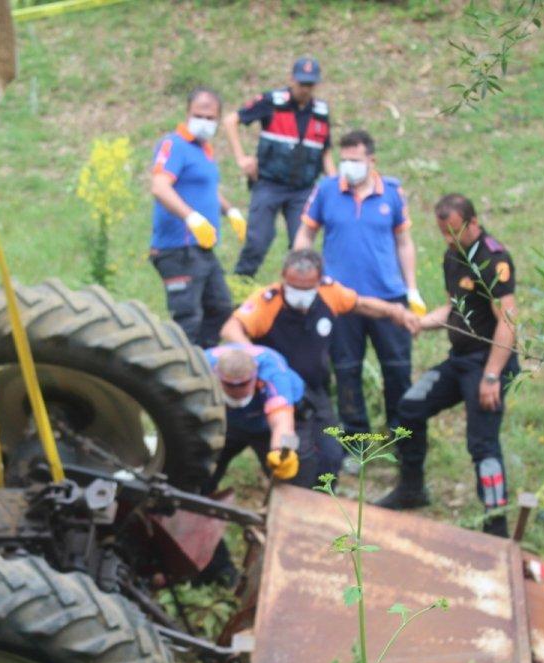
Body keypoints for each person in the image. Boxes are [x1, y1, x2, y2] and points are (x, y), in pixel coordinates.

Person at [377, 194, 518, 538]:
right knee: (410, 408)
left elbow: (508, 322)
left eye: (453, 232)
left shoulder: (493, 259)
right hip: (460, 361)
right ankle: (411, 488)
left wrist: (492, 376)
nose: (448, 240)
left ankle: (496, 522)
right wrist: (420, 322)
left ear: (473, 223)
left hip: (488, 363)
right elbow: (454, 308)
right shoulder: (452, 256)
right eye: (443, 233)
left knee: (482, 443)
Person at [220, 248, 420, 483]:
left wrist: (395, 312)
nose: (300, 294)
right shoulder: (267, 302)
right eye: (294, 287)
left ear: (318, 281)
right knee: (290, 454)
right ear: (283, 277)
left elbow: (360, 304)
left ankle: (323, 495)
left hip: (315, 391)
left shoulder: (329, 293)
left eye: (307, 288)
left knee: (330, 455)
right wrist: (257, 357)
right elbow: (230, 329)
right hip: (277, 391)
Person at [293, 130, 424, 445]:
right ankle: (356, 442)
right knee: (346, 372)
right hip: (341, 301)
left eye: (355, 160)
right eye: (344, 160)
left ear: (371, 160)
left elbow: (404, 242)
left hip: (388, 297)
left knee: (397, 370)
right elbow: (306, 235)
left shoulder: (391, 193)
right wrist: (302, 273)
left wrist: (412, 289)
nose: (348, 166)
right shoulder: (326, 191)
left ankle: (401, 439)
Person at [149, 87, 246, 348]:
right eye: (198, 115)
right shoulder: (174, 145)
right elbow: (160, 186)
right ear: (187, 113)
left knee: (220, 309)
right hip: (178, 248)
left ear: (218, 119)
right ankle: (179, 366)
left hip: (202, 247)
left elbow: (206, 189)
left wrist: (231, 211)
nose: (204, 121)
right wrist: (191, 217)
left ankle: (203, 361)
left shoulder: (204, 150)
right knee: (188, 319)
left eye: (210, 117)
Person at [223, 57, 335, 278]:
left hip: (302, 190)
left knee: (301, 247)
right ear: (291, 79)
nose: (305, 89)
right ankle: (240, 285)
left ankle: (296, 289)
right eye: (301, 83)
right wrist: (241, 158)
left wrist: (335, 182)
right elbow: (230, 121)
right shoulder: (272, 102)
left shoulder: (320, 112)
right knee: (258, 240)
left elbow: (325, 152)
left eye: (310, 84)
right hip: (269, 184)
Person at [201, 343, 322, 493]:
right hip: (228, 422)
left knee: (293, 469)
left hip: (279, 420)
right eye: (229, 385)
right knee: (199, 465)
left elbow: (283, 423)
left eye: (243, 384)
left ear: (255, 374)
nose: (237, 389)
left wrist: (282, 451)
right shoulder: (202, 366)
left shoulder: (274, 372)